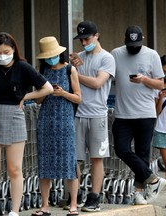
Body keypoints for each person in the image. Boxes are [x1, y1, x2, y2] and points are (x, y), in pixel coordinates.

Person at [0, 32, 53, 216]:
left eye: (6, 51)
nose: (2, 56)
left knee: (14, 169)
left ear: (13, 49)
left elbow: (47, 88)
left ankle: (14, 211)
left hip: (15, 115)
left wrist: (26, 97)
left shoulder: (22, 66)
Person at [111, 25, 166, 205]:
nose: (133, 48)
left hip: (145, 113)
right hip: (123, 114)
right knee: (121, 149)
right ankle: (154, 180)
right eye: (130, 44)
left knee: (142, 154)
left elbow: (160, 85)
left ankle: (139, 193)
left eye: (136, 45)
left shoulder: (152, 55)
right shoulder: (116, 54)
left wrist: (143, 79)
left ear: (142, 40)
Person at [33, 36, 81, 216]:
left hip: (65, 119)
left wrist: (63, 93)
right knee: (44, 163)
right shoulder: (42, 70)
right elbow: (38, 100)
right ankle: (44, 205)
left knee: (69, 161)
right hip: (46, 120)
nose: (49, 59)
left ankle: (73, 204)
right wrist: (45, 92)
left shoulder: (70, 69)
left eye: (52, 55)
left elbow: (78, 97)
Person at [70, 20, 116, 212]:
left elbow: (98, 83)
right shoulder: (78, 58)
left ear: (96, 35)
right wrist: (72, 67)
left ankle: (94, 197)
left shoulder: (107, 58)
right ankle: (75, 195)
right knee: (75, 158)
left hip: (97, 114)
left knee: (97, 158)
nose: (83, 43)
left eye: (87, 38)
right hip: (78, 112)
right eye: (81, 39)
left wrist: (75, 73)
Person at [153, 55, 166, 179]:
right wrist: (162, 97)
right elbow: (156, 112)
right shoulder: (157, 87)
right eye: (164, 71)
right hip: (162, 130)